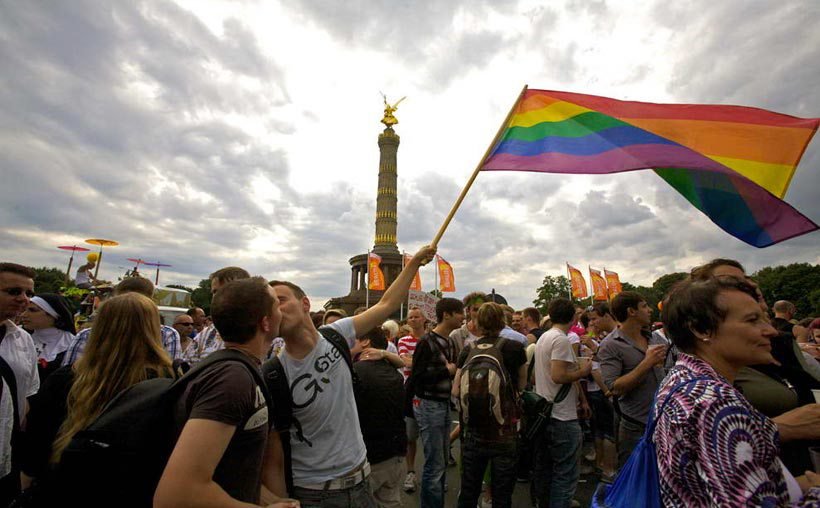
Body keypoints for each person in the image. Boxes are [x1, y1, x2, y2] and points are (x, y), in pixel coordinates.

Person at [262, 245, 435, 508]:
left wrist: (413, 264)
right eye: (268, 307)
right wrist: (278, 500)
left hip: (361, 478)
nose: (275, 309)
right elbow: (270, 454)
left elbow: (387, 303)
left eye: (280, 300)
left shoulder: (336, 333)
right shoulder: (273, 373)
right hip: (313, 492)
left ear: (305, 303)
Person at [654, 276, 820, 506]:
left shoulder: (684, 377)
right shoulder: (716, 403)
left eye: (765, 318)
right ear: (702, 329)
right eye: (752, 320)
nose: (770, 330)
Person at [155, 277, 297, 507]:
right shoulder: (232, 380)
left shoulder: (237, 370)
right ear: (266, 323)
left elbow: (227, 471)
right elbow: (179, 493)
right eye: (275, 304)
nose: (281, 310)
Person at [20, 293, 175, 498]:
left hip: (65, 484)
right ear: (153, 328)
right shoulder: (168, 382)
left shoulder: (65, 378)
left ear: (99, 327)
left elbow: (37, 441)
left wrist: (26, 482)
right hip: (133, 488)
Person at [690, 259, 820, 474]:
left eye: (747, 286)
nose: (745, 292)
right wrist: (779, 429)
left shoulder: (781, 343)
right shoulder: (702, 387)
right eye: (729, 285)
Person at [454, 302, 526, 508]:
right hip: (504, 430)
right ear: (503, 321)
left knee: (469, 491)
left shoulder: (468, 349)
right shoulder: (514, 348)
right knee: (502, 494)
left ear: (477, 323)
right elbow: (521, 384)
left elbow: (455, 390)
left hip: (474, 431)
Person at [532, 297, 592, 508]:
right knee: (565, 474)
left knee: (548, 469)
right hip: (561, 415)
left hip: (546, 412)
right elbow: (558, 375)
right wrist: (582, 371)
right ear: (573, 317)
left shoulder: (545, 337)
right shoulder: (561, 340)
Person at [597, 291, 667, 468]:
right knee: (635, 479)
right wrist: (647, 363)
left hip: (665, 419)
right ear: (631, 311)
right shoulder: (610, 345)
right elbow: (614, 387)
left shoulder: (654, 337)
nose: (650, 310)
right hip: (636, 425)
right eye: (644, 306)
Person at [411, 298, 463, 508]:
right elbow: (417, 376)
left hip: (442, 405)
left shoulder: (449, 342)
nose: (463, 317)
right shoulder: (427, 342)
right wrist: (447, 371)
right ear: (447, 315)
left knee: (440, 460)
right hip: (429, 404)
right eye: (460, 313)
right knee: (434, 463)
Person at [62, 276, 181, 365]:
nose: (129, 304)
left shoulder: (88, 335)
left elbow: (70, 375)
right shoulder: (166, 335)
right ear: (150, 302)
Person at [353, 326, 407, 508]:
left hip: (370, 457)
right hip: (395, 453)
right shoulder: (393, 371)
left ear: (365, 342)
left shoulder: (355, 373)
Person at [0, 263, 38, 505]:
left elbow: (29, 391)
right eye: (14, 291)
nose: (23, 299)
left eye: (29, 294)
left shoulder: (22, 339)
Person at [186, 267, 250, 364]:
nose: (217, 297)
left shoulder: (263, 333)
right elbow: (186, 369)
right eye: (215, 292)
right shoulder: (206, 334)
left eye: (225, 290)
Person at [398, 306, 426, 493]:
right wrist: (428, 364)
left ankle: (432, 475)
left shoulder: (432, 339)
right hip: (410, 391)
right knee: (410, 436)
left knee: (430, 438)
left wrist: (417, 363)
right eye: (410, 317)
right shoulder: (403, 341)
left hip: (429, 391)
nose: (413, 320)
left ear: (424, 319)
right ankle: (410, 472)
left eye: (417, 316)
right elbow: (405, 362)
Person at [22, 294, 76, 381]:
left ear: (53, 315)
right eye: (24, 310)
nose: (24, 315)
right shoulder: (17, 337)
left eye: (32, 310)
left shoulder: (71, 344)